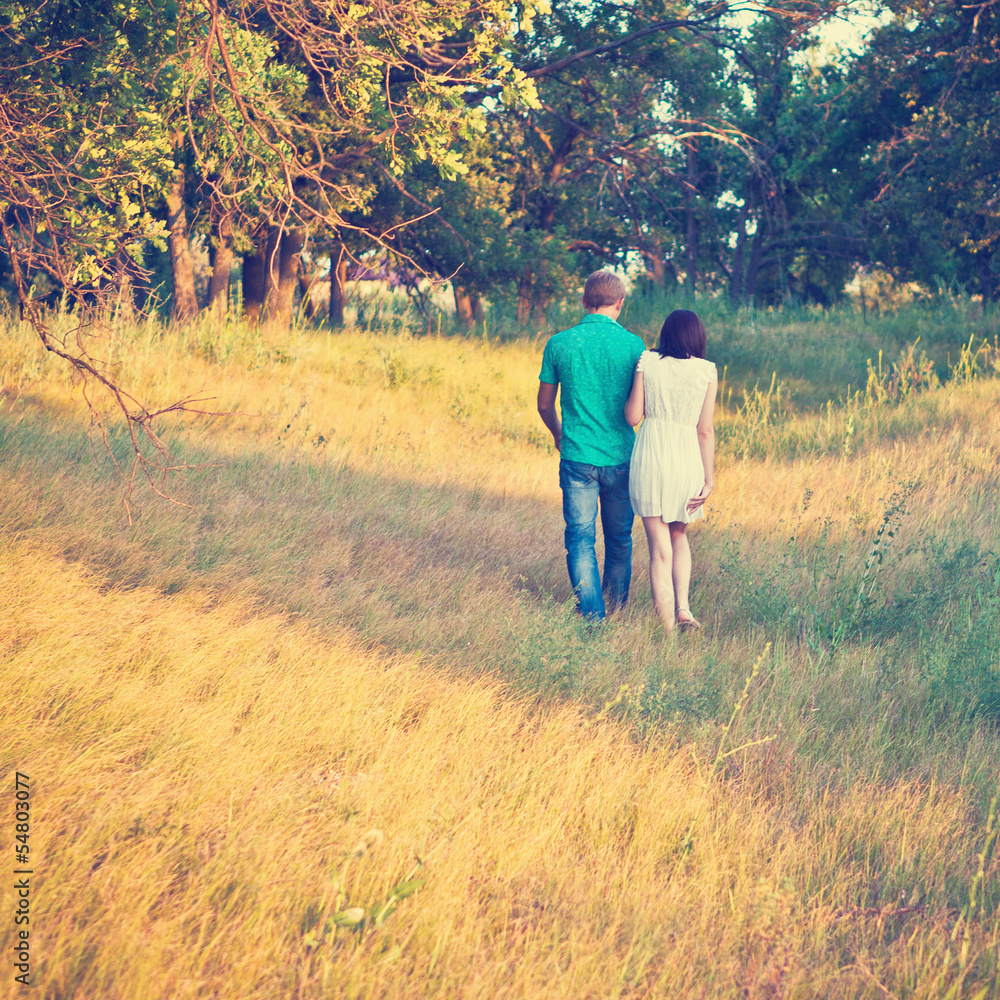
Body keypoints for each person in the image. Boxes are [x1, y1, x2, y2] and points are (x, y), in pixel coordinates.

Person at [537, 270, 646, 620]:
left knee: (580, 540)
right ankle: (615, 609)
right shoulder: (634, 345)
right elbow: (640, 406)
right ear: (620, 303)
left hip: (577, 457)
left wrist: (557, 433)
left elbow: (543, 404)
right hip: (621, 457)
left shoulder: (560, 343)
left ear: (584, 302)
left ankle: (593, 618)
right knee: (619, 540)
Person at [624, 309, 717, 630]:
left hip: (651, 456)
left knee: (658, 548)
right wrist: (709, 479)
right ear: (698, 337)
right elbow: (705, 430)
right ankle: (684, 610)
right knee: (679, 534)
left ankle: (665, 629)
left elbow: (633, 417)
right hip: (687, 460)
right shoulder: (707, 370)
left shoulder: (648, 362)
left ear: (666, 333)